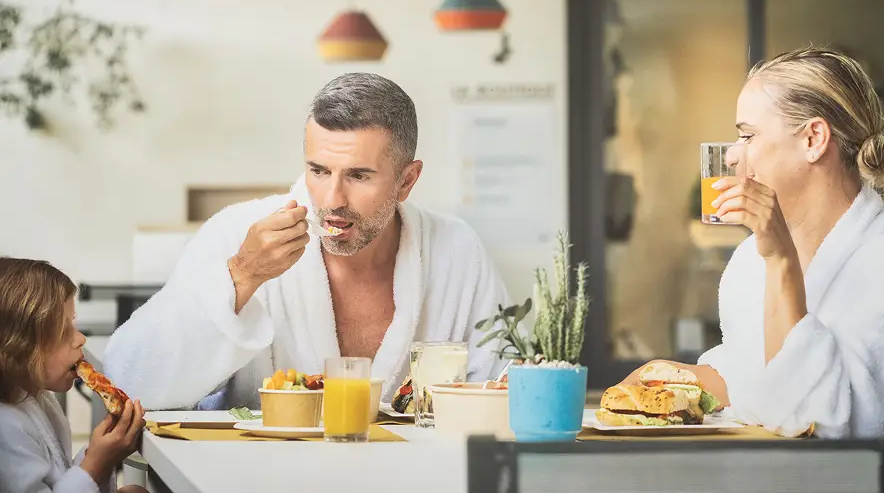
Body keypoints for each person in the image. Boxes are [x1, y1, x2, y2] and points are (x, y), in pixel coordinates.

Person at [104, 72, 511, 410]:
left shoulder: (456, 251)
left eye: (359, 176)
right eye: (319, 171)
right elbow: (131, 381)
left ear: (407, 180)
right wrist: (242, 275)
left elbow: (504, 387)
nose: (333, 199)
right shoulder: (237, 233)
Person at [625, 47, 884, 438]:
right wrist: (673, 378)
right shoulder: (748, 262)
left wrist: (781, 259)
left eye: (748, 135)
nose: (732, 156)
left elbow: (825, 424)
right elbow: (754, 377)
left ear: (813, 138)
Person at [0, 257, 146, 493]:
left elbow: (59, 479)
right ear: (18, 347)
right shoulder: (5, 428)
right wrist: (96, 465)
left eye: (73, 324)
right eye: (63, 331)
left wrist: (99, 451)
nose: (80, 339)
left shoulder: (36, 397)